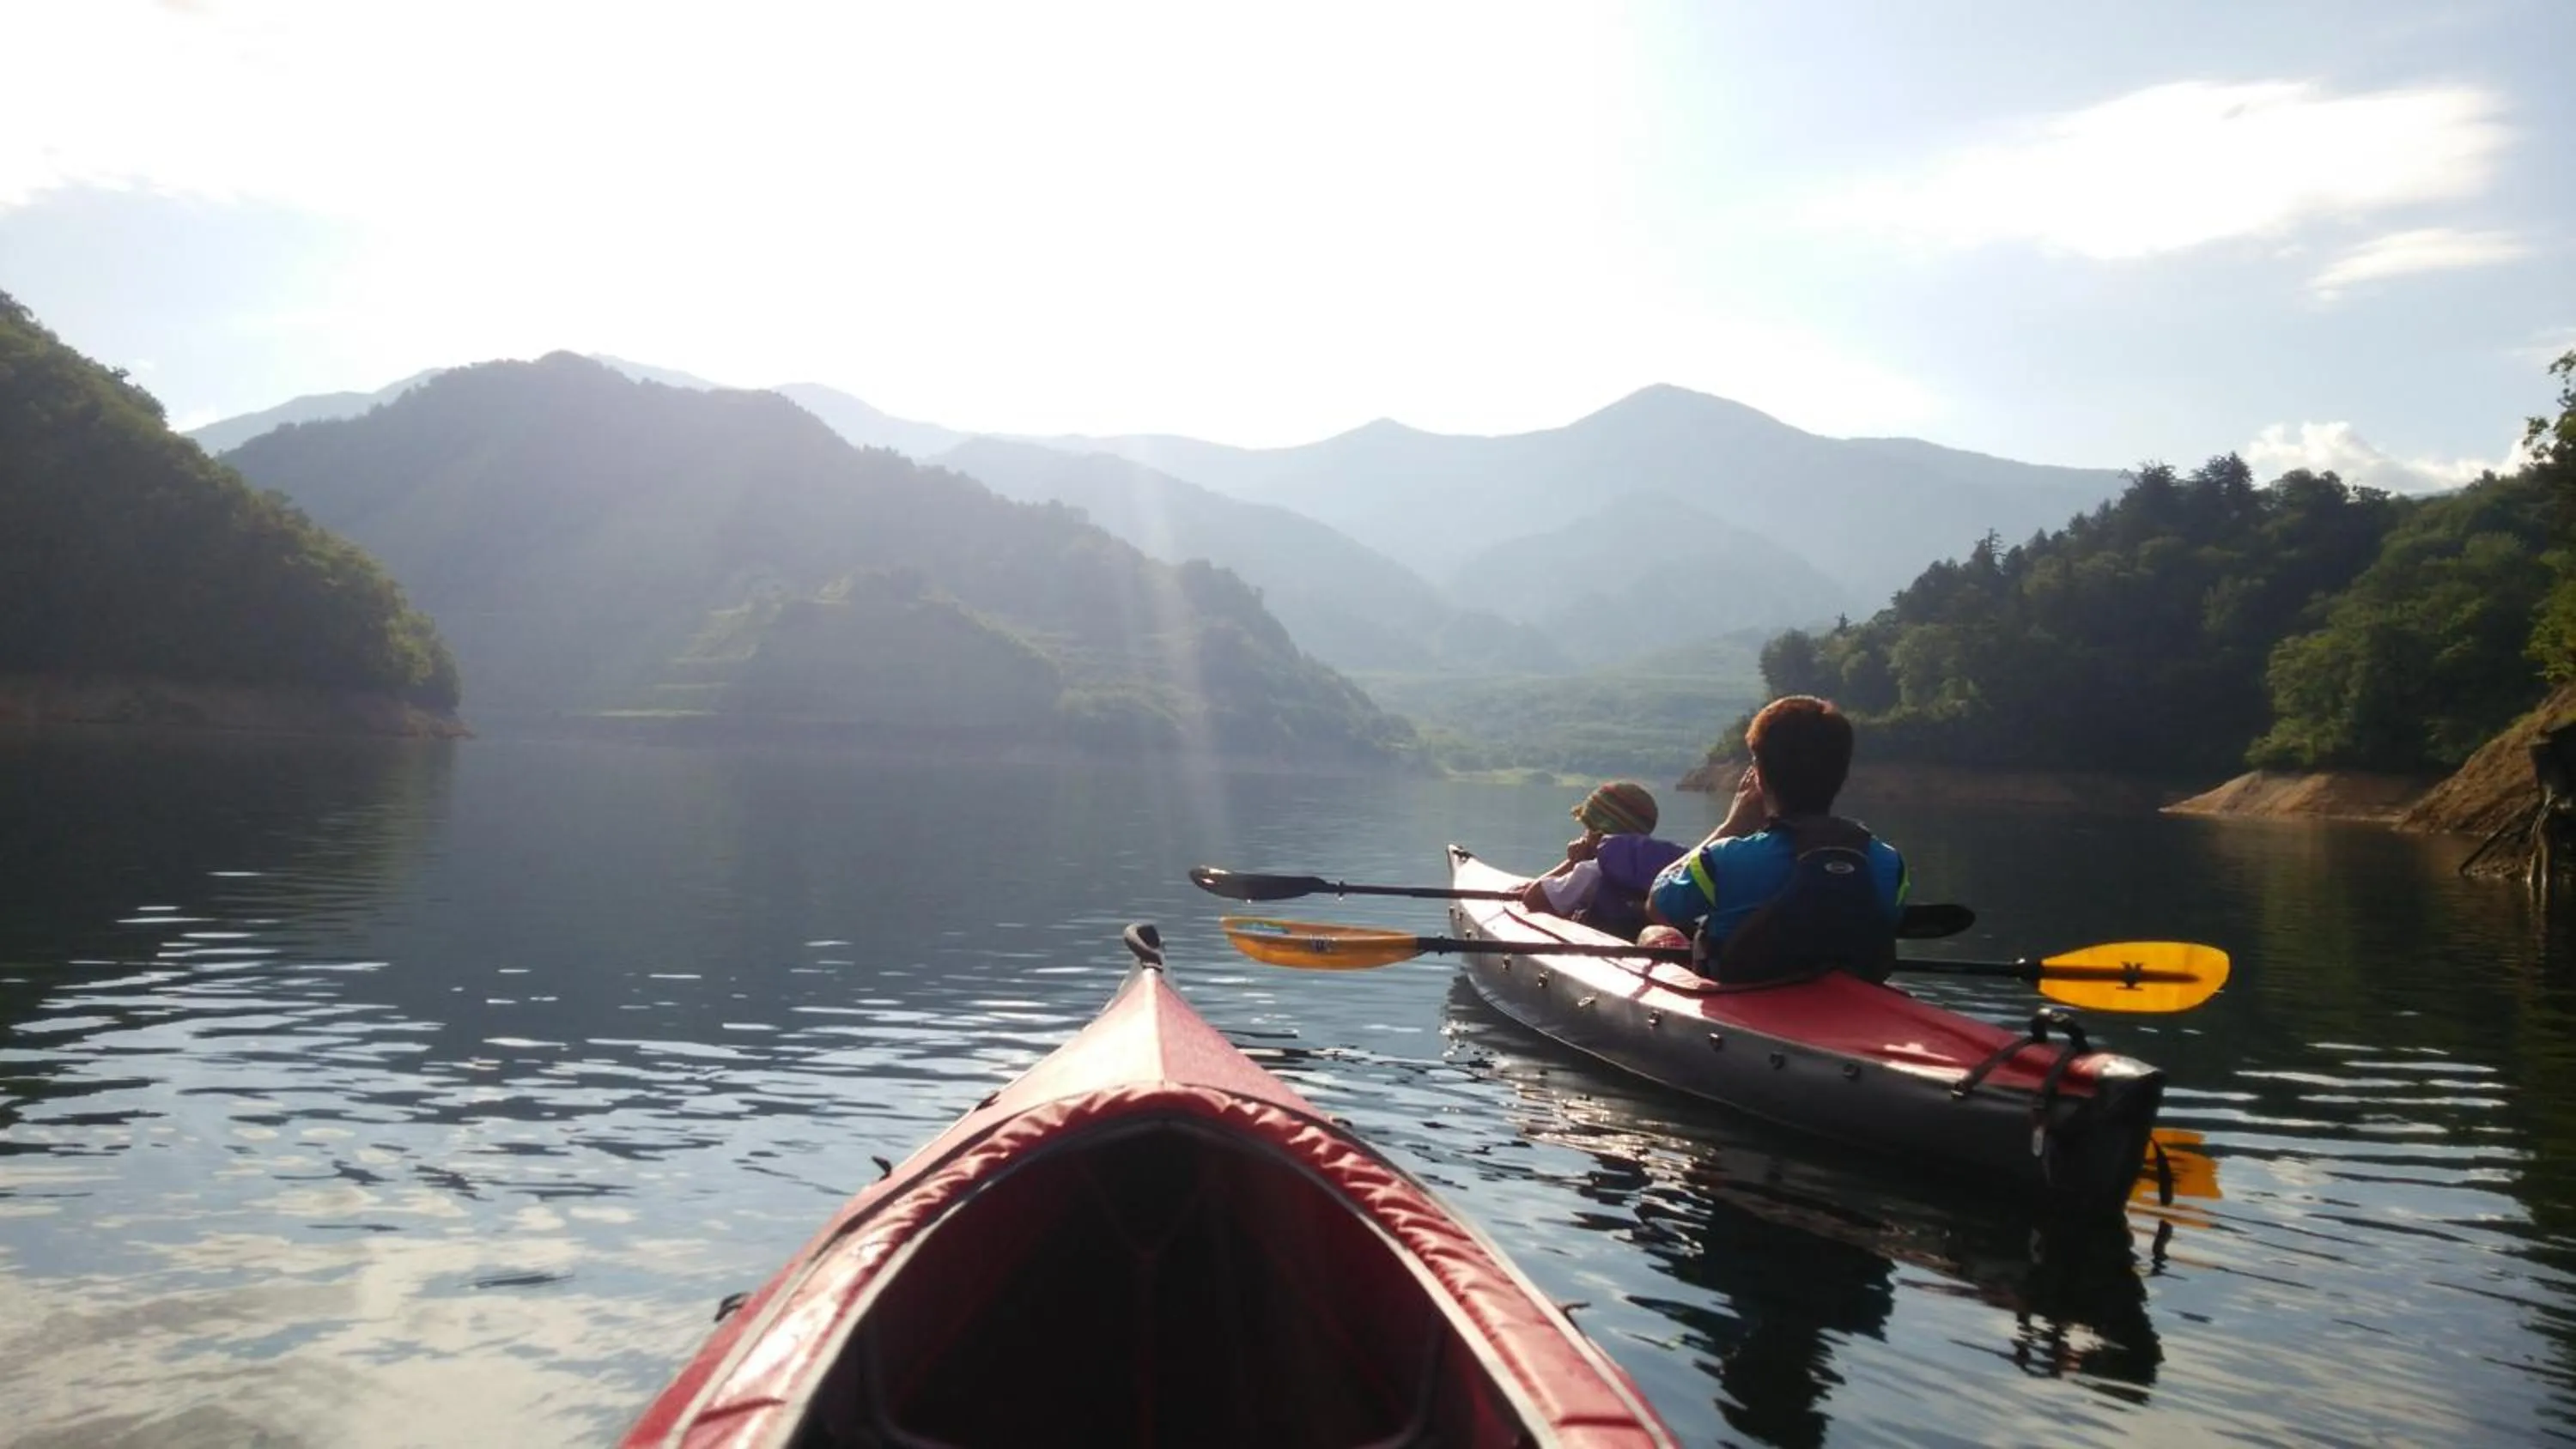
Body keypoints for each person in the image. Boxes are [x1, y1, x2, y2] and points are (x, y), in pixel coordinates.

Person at [1643, 696, 1907, 982]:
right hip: (1850, 1003)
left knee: (1654, 934)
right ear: (1842, 776)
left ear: (1759, 777)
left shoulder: (1724, 859)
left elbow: (1658, 906)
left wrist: (1730, 826)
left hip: (1741, 997)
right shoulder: (1889, 863)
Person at [1520, 781, 1686, 941]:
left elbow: (1533, 899)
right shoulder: (1667, 868)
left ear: (1597, 831)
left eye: (1587, 828)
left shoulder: (1591, 871)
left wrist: (1572, 862)